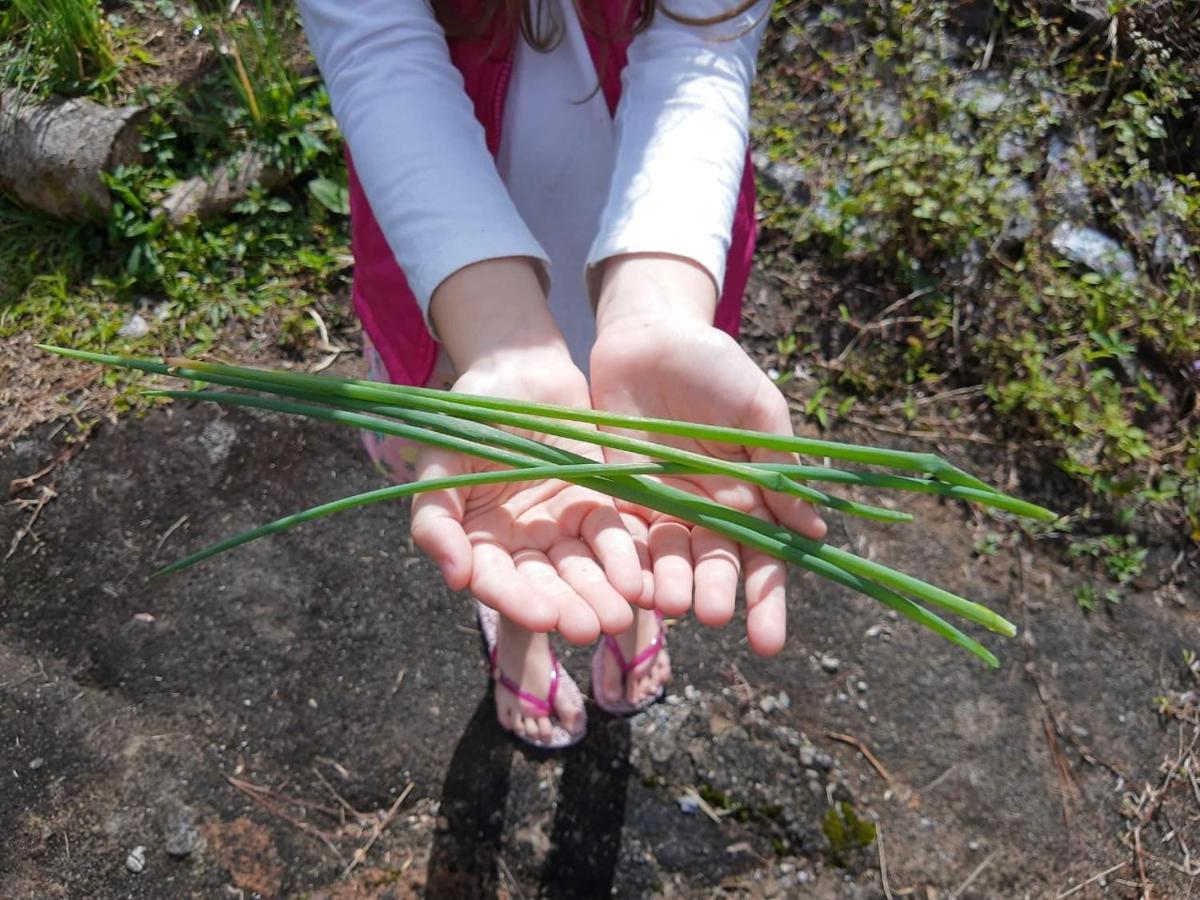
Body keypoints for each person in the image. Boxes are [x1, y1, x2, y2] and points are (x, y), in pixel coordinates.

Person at [299, 0, 827, 749]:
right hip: (455, 253)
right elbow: (378, 45)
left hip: (661, 231)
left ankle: (633, 588)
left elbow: (705, 35)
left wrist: (660, 307)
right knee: (505, 482)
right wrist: (503, 344)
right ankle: (523, 626)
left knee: (639, 461)